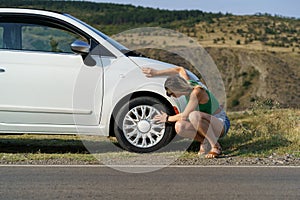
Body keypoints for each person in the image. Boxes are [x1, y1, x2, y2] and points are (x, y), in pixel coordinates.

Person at [142, 66, 230, 158]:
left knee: (194, 115)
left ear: (177, 88)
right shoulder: (188, 84)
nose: (171, 95)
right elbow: (180, 69)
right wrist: (156, 72)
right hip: (206, 123)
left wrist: (167, 118)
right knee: (179, 126)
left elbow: (184, 116)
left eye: (171, 93)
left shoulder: (196, 92)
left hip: (220, 122)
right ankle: (204, 141)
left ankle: (215, 146)